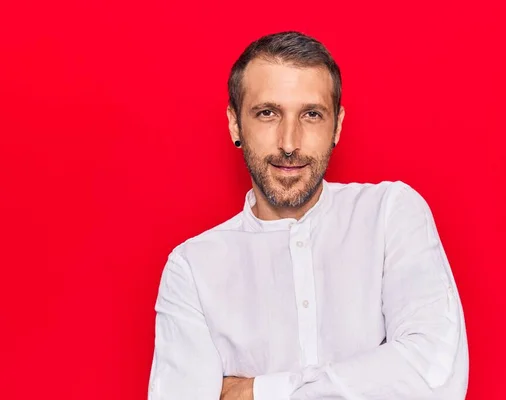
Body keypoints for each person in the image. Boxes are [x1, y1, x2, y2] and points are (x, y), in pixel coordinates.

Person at [148, 31, 469, 400]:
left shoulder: (390, 215)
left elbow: (434, 378)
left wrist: (257, 391)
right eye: (267, 113)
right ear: (236, 124)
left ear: (338, 125)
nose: (289, 142)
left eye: (311, 115)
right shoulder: (192, 268)